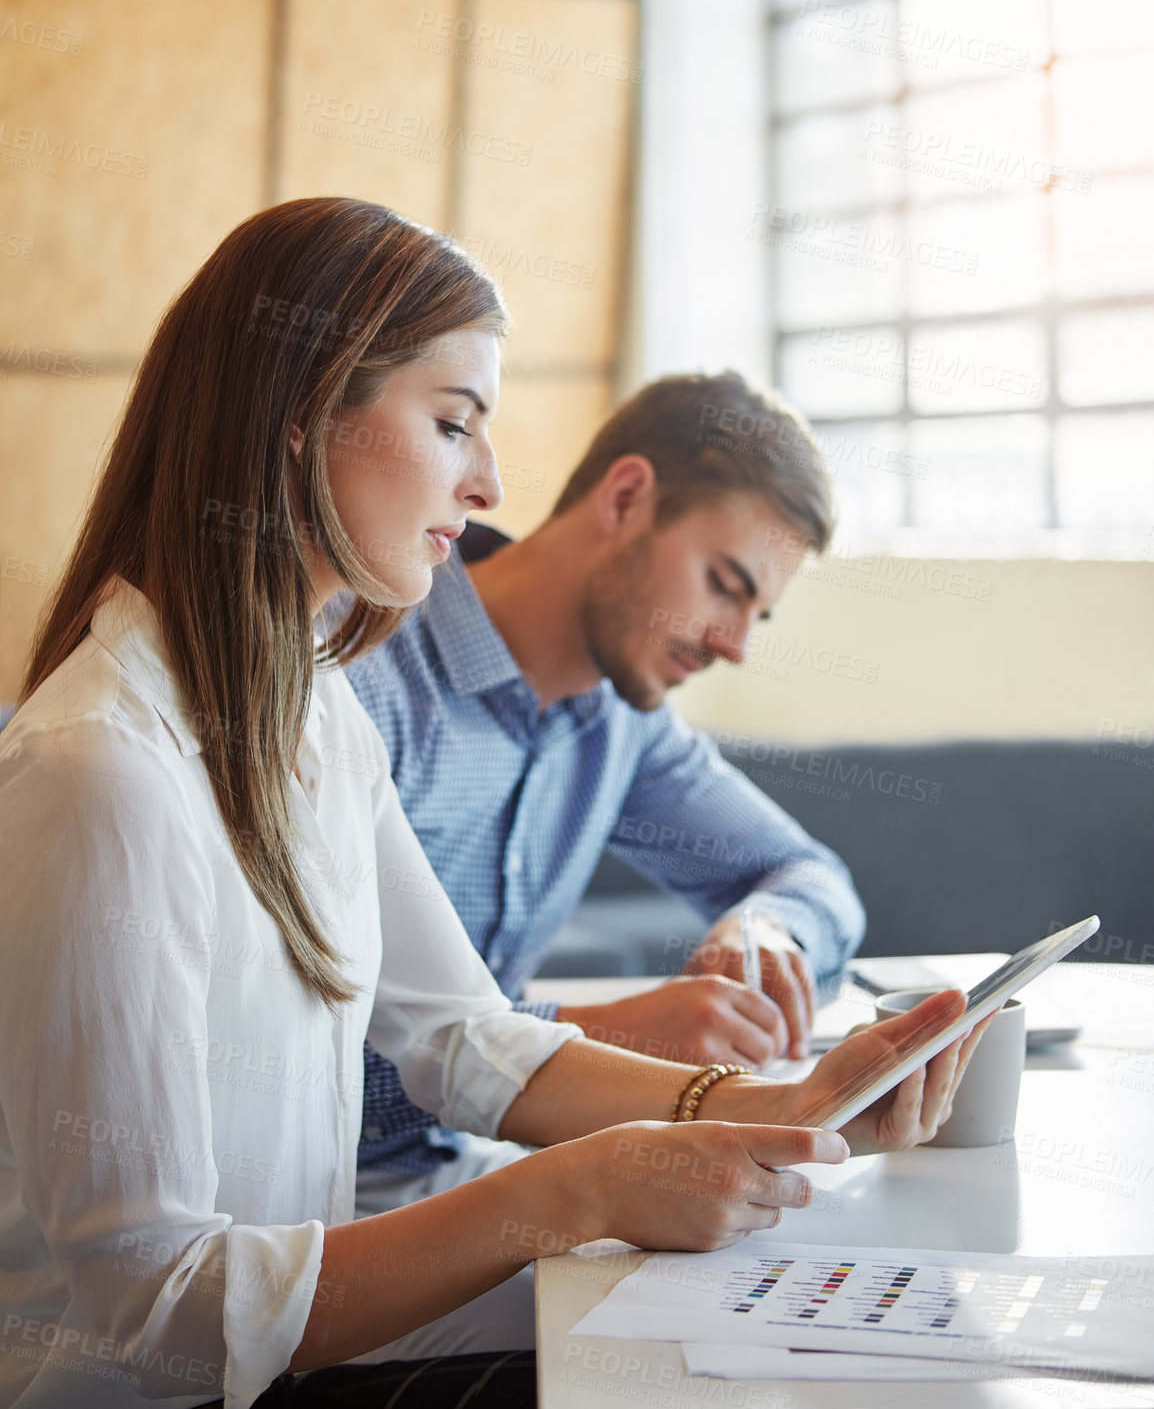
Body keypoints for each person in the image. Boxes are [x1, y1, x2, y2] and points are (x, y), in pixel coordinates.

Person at [0, 198, 985, 1409]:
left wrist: (787, 1109)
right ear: (298, 418)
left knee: (793, 1338)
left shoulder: (310, 711)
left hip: (278, 1352)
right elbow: (152, 1306)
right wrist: (577, 1187)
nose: (489, 481)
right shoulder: (104, 768)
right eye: (453, 421)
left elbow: (461, 1038)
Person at [345, 373, 869, 1357]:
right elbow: (271, 1060)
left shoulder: (619, 725)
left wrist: (761, 929)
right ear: (624, 498)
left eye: (759, 615)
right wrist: (593, 1038)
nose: (734, 644)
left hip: (456, 1179)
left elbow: (807, 874)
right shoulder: (364, 676)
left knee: (792, 1305)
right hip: (302, 1224)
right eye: (725, 584)